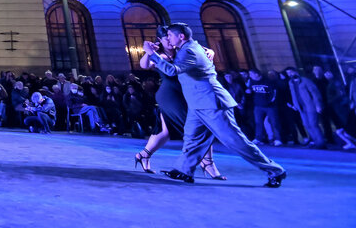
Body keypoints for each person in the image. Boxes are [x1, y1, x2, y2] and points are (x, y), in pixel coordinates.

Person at [143, 23, 287, 187]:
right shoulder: (189, 47)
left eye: (170, 35)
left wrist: (151, 53)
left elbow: (172, 70)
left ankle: (275, 171)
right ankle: (183, 170)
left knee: (235, 140)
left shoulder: (189, 50)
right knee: (192, 139)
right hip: (197, 104)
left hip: (211, 103)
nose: (167, 38)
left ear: (181, 36)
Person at [135, 26, 224, 179]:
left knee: (164, 132)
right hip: (170, 96)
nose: (169, 41)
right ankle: (207, 162)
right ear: (160, 40)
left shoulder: (182, 50)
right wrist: (149, 51)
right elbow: (144, 65)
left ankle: (143, 155)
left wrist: (211, 51)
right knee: (200, 127)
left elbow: (202, 50)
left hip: (186, 94)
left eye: (170, 37)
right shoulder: (160, 55)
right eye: (166, 38)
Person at [285, 67, 325, 148]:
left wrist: (318, 105)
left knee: (313, 124)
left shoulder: (305, 80)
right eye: (288, 73)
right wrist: (295, 105)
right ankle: (316, 141)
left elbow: (315, 93)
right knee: (306, 124)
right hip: (301, 107)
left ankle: (321, 143)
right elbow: (293, 94)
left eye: (291, 72)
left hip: (310, 105)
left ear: (295, 72)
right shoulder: (291, 82)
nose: (290, 74)